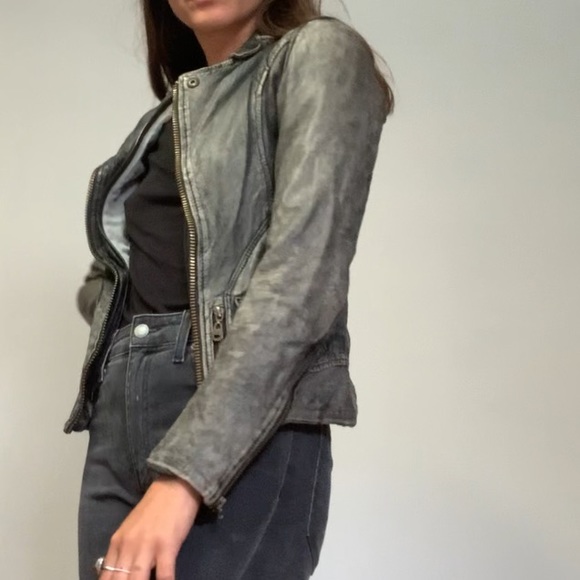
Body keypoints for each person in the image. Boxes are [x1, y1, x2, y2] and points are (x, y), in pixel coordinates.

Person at [64, 0, 394, 578]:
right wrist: (131, 342)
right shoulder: (170, 116)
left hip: (239, 415)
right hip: (121, 419)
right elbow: (112, 271)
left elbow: (301, 280)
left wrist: (185, 476)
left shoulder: (319, 52)